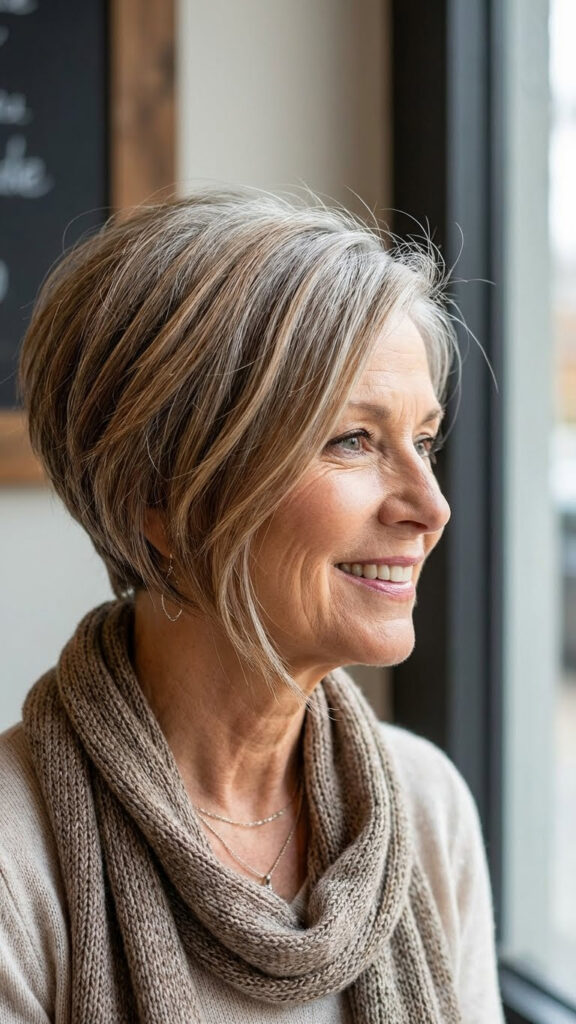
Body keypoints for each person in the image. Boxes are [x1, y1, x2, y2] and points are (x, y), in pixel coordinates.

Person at [0, 189, 505, 1023]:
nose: (431, 504)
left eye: (424, 442)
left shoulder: (426, 804)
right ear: (164, 497)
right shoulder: (21, 858)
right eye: (354, 440)